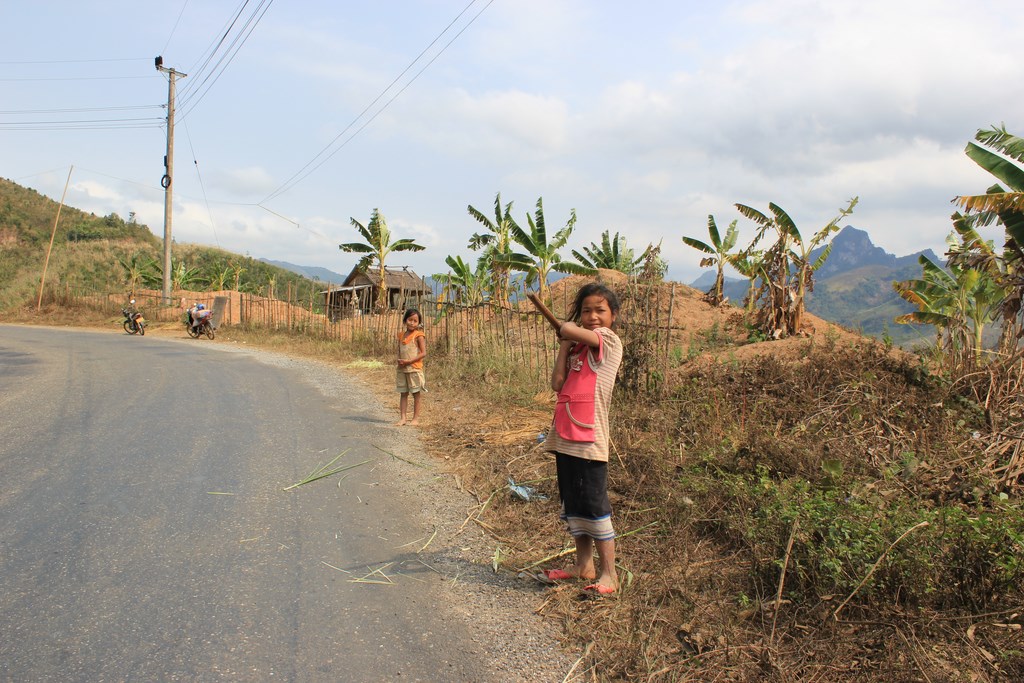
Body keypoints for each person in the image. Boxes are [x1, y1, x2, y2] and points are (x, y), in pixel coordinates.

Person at [541, 283, 623, 596]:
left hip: (590, 439)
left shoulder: (608, 340)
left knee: (593, 503)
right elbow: (557, 383)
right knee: (573, 502)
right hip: (566, 435)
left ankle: (610, 574)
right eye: (586, 311)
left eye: (600, 310)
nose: (592, 317)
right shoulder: (576, 347)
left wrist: (568, 330)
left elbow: (578, 331)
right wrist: (564, 345)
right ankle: (583, 566)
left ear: (613, 316)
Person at [395, 308, 427, 426]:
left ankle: (415, 419)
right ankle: (403, 418)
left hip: (414, 368)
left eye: (415, 321)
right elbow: (399, 351)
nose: (412, 323)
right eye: (410, 320)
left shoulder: (419, 336)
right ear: (405, 320)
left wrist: (409, 361)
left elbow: (423, 353)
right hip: (402, 369)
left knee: (416, 394)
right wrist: (399, 360)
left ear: (418, 323)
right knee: (403, 393)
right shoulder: (401, 335)